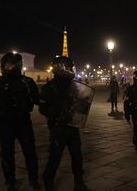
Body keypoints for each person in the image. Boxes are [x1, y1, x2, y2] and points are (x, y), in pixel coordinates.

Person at [0, 52, 41, 191]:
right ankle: (10, 180)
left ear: (17, 66)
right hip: (4, 123)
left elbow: (38, 100)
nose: (7, 67)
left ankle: (33, 179)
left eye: (10, 65)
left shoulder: (27, 82)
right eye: (5, 64)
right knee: (7, 154)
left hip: (23, 122)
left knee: (30, 152)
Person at [39, 56, 91, 191]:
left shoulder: (75, 86)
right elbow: (43, 108)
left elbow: (81, 105)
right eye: (68, 67)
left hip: (73, 126)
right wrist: (57, 114)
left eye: (70, 67)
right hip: (58, 127)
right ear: (60, 68)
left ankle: (79, 183)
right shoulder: (48, 87)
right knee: (55, 157)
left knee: (77, 156)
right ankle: (48, 180)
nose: (70, 70)